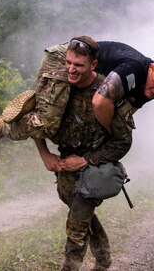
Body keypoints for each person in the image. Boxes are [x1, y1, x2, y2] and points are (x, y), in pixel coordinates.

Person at [34, 37, 133, 271]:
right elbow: (33, 121)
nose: (70, 69)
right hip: (66, 161)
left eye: (78, 65)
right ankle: (103, 257)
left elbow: (123, 142)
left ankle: (71, 267)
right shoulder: (58, 87)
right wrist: (45, 154)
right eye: (68, 62)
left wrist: (86, 160)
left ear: (94, 64)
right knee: (72, 204)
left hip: (94, 166)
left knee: (77, 223)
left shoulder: (108, 93)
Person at [0, 37, 153, 153]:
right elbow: (100, 101)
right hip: (64, 58)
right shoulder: (134, 68)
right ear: (152, 67)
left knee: (92, 124)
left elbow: (126, 113)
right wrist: (111, 132)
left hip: (85, 68)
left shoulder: (149, 87)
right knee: (47, 123)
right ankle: (3, 127)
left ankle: (38, 107)